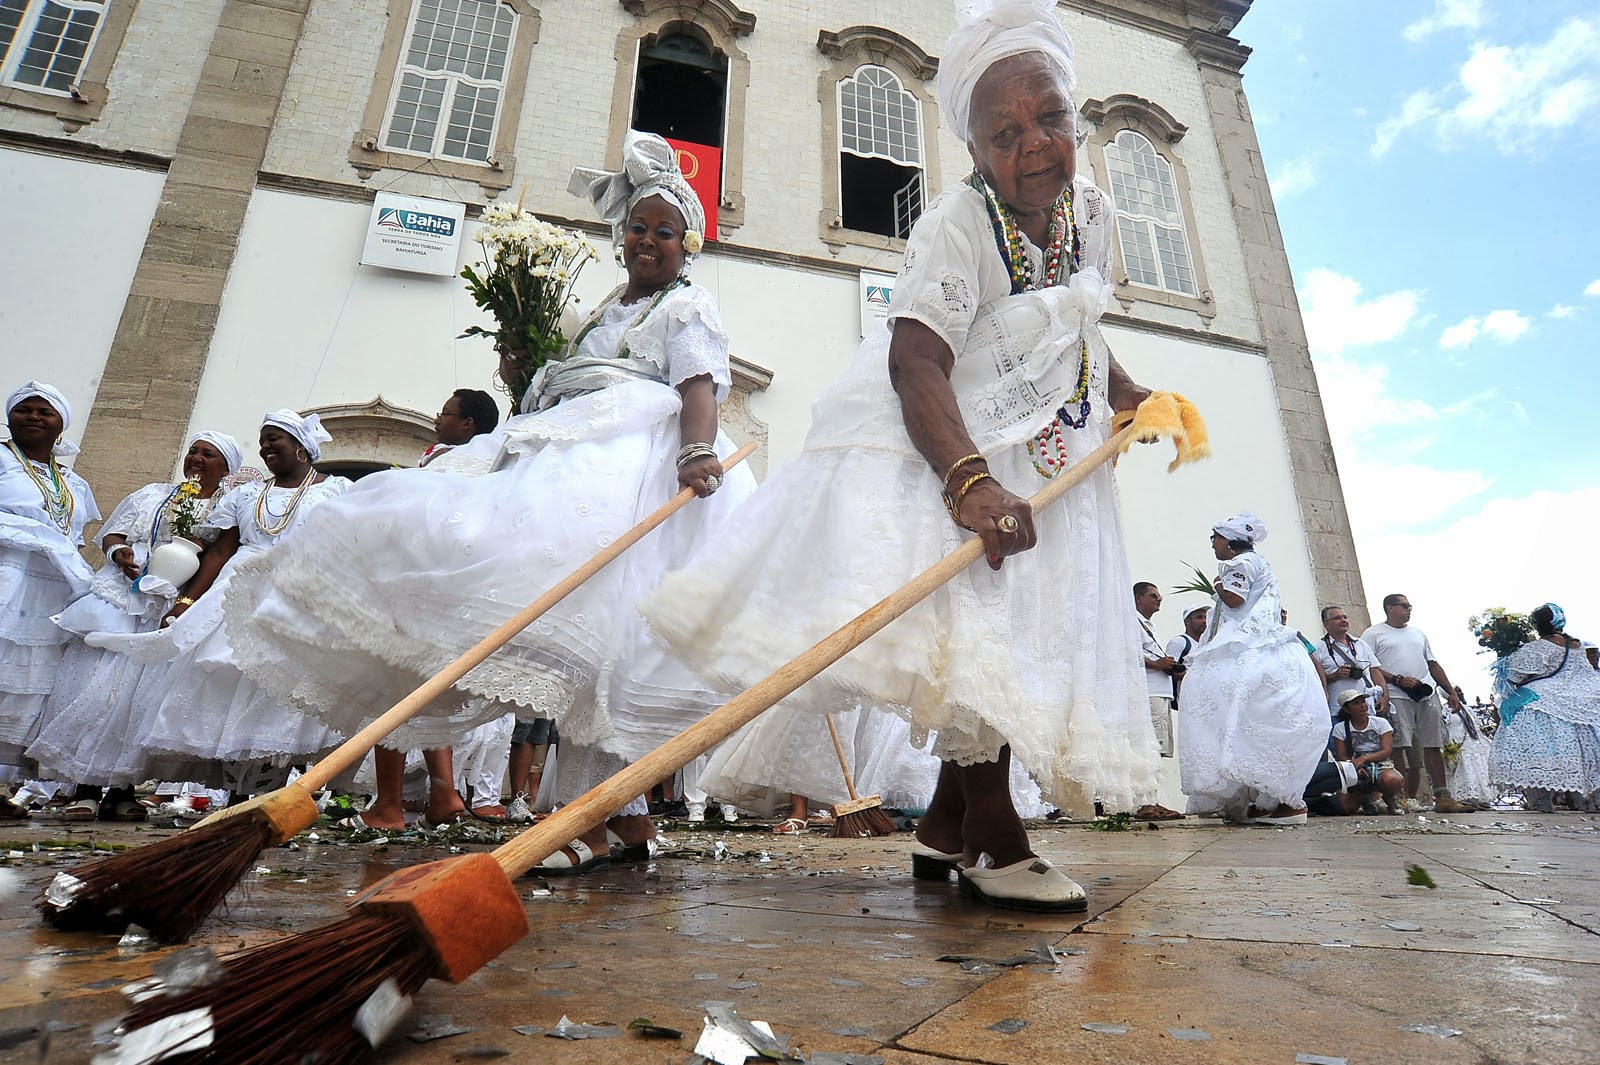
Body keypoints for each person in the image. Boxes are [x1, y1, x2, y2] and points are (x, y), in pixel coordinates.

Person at [643, 2, 1163, 913]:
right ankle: (997, 837)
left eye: (1050, 119)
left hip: (1055, 446)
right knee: (982, 634)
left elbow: (1075, 312)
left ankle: (943, 828)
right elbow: (915, 358)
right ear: (972, 147)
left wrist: (1123, 390)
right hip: (956, 446)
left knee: (1018, 630)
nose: (1035, 144)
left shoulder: (1092, 213)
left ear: (1073, 118)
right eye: (1006, 133)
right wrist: (969, 483)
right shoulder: (954, 228)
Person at [227, 129, 755, 873]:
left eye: (663, 231)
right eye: (636, 227)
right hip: (572, 445)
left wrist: (697, 452)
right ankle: (622, 816)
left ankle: (591, 816)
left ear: (687, 243)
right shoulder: (602, 314)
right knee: (494, 550)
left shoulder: (687, 308)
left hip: (634, 464)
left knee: (587, 619)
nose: (646, 241)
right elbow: (552, 392)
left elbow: (698, 388)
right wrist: (525, 366)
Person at [87, 412, 350, 794]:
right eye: (262, 441)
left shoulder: (338, 489)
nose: (265, 447)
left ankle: (263, 793)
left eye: (274, 438)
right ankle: (236, 795)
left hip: (301, 592)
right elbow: (220, 552)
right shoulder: (246, 494)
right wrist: (185, 602)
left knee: (277, 691)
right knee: (228, 683)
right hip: (240, 590)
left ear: (301, 446)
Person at [27, 430, 245, 820]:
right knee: (97, 687)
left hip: (168, 603)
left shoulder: (227, 508)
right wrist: (117, 551)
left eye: (208, 455)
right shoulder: (151, 493)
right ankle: (85, 787)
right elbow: (113, 531)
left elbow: (217, 558)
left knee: (136, 697)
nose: (196, 458)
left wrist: (184, 602)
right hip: (122, 596)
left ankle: (122, 789)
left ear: (225, 467)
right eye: (193, 451)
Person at [1175, 513, 1327, 824]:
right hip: (1257, 645)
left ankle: (1284, 801)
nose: (1212, 543)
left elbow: (1233, 599)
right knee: (1245, 722)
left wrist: (1218, 585)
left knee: (1232, 718)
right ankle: (1264, 799)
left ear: (1230, 542)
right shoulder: (1260, 563)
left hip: (1246, 649)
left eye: (1215, 538)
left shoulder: (1238, 565)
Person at [0, 382, 100, 817]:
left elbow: (74, 538)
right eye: (26, 409)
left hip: (51, 591)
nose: (35, 417)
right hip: (7, 577)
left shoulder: (73, 481)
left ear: (61, 425)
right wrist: (34, 536)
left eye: (46, 412)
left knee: (25, 686)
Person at [1362, 594, 1472, 813]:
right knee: (1398, 745)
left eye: (1409, 605)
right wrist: (1397, 679)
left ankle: (1442, 795)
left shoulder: (1418, 634)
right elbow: (1368, 664)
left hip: (1426, 693)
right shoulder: (1373, 634)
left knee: (1433, 743)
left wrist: (1450, 691)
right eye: (1404, 605)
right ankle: (1398, 796)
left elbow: (1432, 663)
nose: (1409, 609)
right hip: (1396, 694)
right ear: (1390, 608)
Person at [1489, 603, 1600, 812]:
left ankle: (1541, 802)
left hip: (1544, 703)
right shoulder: (1578, 646)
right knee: (1578, 753)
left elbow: (1513, 677)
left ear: (1539, 625)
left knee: (1540, 752)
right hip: (1582, 705)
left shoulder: (1539, 647)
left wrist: (1506, 657)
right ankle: (1581, 800)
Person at [1328, 688, 1406, 814]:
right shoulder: (1340, 728)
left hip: (1380, 764)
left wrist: (1364, 759)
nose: (1362, 706)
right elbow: (1341, 755)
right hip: (1354, 765)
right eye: (1356, 703)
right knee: (1346, 808)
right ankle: (1365, 801)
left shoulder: (1381, 723)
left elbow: (1386, 750)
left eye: (1363, 701)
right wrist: (1354, 766)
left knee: (1392, 779)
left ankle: (1389, 798)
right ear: (1347, 709)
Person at [1314, 605, 1388, 720]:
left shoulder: (1360, 644)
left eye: (1345, 617)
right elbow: (1315, 681)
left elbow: (1375, 671)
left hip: (1367, 708)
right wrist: (1335, 676)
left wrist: (1384, 697)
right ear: (1326, 624)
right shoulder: (1319, 649)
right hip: (1339, 711)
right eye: (1337, 618)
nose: (1343, 620)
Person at [1135, 582, 1177, 759]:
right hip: (1150, 693)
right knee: (1151, 752)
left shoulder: (1147, 624)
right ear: (1139, 599)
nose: (1159, 598)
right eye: (1153, 595)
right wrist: (1157, 664)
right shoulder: (1132, 622)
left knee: (1160, 752)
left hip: (1161, 694)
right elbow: (1127, 655)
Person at [1167, 603, 1208, 706]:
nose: (1204, 621)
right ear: (1187, 621)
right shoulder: (1179, 642)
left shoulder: (1207, 645)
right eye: (1199, 617)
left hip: (1206, 700)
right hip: (1189, 701)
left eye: (1205, 617)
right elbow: (1169, 672)